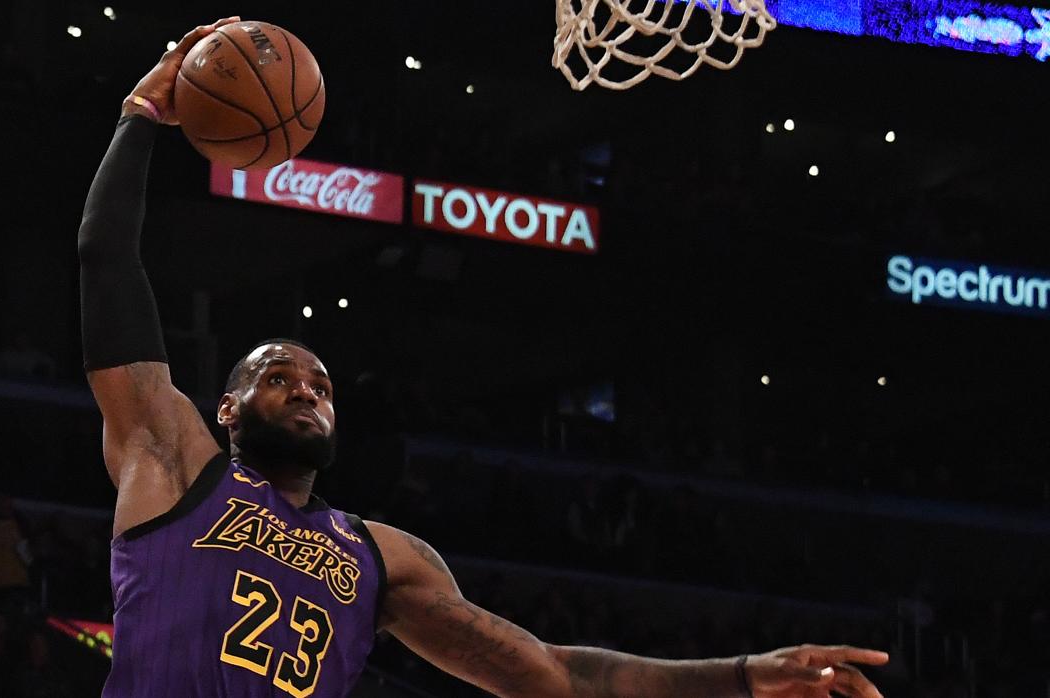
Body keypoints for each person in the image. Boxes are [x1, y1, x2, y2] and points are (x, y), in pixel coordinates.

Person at [78, 17, 891, 698]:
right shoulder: (175, 461)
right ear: (226, 408)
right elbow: (107, 260)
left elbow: (554, 675)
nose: (306, 390)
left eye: (321, 384)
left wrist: (744, 675)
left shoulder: (383, 556)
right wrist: (140, 116)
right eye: (278, 376)